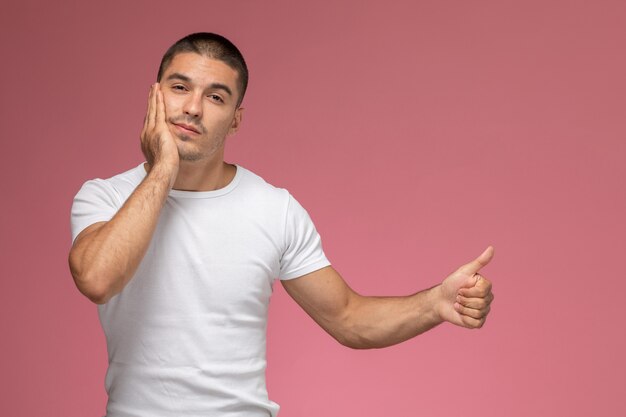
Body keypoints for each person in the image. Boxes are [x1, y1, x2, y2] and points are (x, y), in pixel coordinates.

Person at [69, 32, 495, 417]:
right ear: (155, 96)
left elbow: (348, 317)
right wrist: (164, 167)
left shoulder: (274, 209)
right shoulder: (104, 197)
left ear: (235, 118)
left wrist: (436, 302)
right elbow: (97, 279)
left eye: (216, 97)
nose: (193, 108)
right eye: (180, 88)